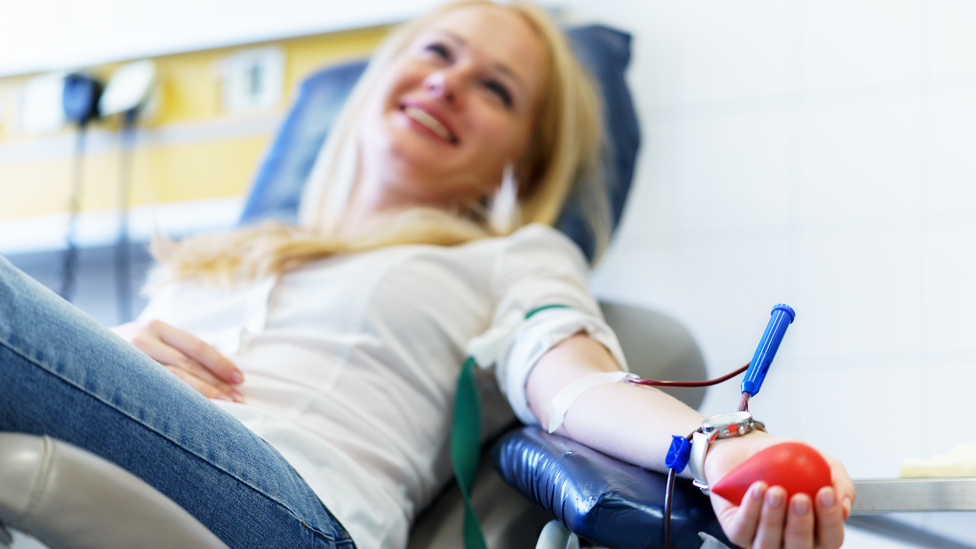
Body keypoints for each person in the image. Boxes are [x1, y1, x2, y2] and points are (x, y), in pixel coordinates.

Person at [0, 1, 855, 548]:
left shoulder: (508, 255)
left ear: (523, 157)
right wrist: (107, 349)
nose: (448, 83)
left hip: (292, 505)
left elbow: (571, 384)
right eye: (438, 51)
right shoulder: (218, 254)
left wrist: (717, 447)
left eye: (496, 89)